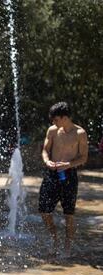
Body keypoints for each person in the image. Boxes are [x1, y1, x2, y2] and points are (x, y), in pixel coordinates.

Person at [39, 102, 88, 258]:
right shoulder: (53, 131)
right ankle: (55, 240)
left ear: (64, 118)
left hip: (69, 174)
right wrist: (47, 161)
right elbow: (45, 151)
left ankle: (67, 246)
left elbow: (84, 158)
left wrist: (69, 164)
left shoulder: (80, 133)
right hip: (51, 173)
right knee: (44, 210)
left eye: (56, 119)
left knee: (69, 214)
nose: (54, 123)